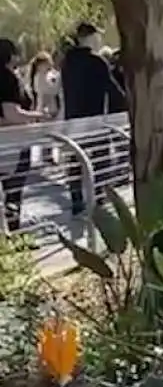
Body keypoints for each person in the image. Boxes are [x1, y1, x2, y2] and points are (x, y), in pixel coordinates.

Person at [60, 22, 125, 215]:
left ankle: (77, 201)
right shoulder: (97, 62)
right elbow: (113, 92)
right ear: (90, 37)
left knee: (75, 160)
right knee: (100, 160)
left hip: (72, 120)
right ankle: (98, 199)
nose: (99, 40)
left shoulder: (67, 63)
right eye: (98, 36)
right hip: (94, 120)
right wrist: (128, 106)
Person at [0, 39, 54, 231]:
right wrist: (39, 116)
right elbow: (12, 114)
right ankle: (14, 232)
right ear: (10, 55)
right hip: (12, 143)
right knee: (13, 189)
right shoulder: (7, 78)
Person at [29, 51, 62, 165]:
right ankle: (47, 156)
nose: (50, 65)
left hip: (49, 107)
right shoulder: (39, 77)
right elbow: (50, 90)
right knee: (46, 132)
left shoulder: (47, 75)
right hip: (44, 108)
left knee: (49, 131)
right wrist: (59, 80)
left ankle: (49, 154)